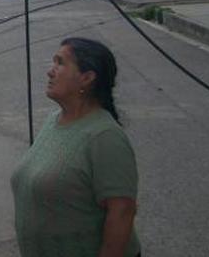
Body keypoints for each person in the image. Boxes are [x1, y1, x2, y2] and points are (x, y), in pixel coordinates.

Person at [11, 38, 140, 257]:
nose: (50, 72)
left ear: (86, 78)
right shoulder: (54, 120)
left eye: (60, 63)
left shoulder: (104, 137)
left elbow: (122, 212)